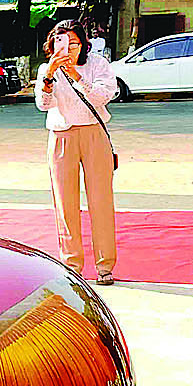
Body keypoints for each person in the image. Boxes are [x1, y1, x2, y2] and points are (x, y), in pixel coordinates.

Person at [36, 18, 119, 285]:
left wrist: (75, 74)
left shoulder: (97, 64)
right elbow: (43, 104)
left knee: (101, 200)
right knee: (65, 203)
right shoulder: (47, 69)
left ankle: (105, 265)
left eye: (74, 43)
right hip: (61, 136)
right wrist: (49, 76)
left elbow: (102, 96)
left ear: (83, 44)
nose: (68, 48)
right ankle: (71, 265)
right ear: (52, 44)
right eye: (61, 42)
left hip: (94, 133)